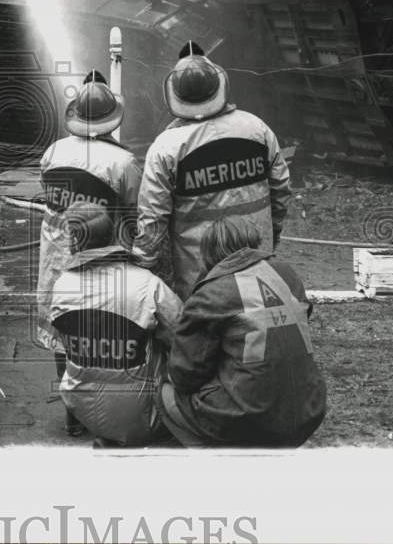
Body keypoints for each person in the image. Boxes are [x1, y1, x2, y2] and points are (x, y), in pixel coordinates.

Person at [132, 44, 291, 299]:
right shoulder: (257, 129)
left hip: (200, 279)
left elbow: (152, 219)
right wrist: (271, 236)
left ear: (174, 94)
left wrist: (142, 264)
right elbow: (281, 190)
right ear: (219, 86)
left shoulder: (166, 148)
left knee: (205, 322)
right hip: (258, 263)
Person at [156, 216, 326, 448]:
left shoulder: (211, 293)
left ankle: (219, 458)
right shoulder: (287, 273)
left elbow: (185, 375)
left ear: (208, 252)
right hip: (310, 409)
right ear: (253, 241)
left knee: (164, 394)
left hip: (248, 421)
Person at [37, 77, 143, 436]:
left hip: (56, 256)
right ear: (112, 119)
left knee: (62, 329)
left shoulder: (53, 151)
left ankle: (72, 414)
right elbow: (135, 212)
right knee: (100, 331)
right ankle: (102, 410)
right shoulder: (124, 162)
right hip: (102, 257)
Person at [48, 202, 183, 446]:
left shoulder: (61, 286)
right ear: (112, 235)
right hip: (141, 416)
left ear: (76, 241)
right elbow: (184, 338)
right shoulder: (147, 284)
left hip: (80, 407)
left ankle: (95, 432)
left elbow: (62, 347)